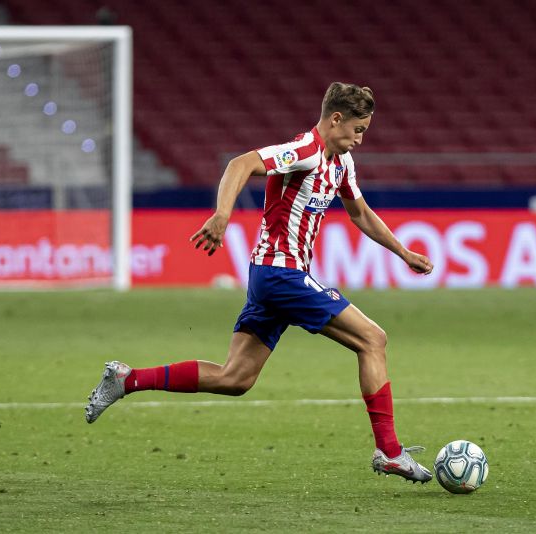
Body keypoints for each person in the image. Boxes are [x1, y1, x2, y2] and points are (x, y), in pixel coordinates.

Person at [85, 82, 434, 483]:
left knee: (236, 378)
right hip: (280, 275)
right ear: (335, 119)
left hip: (273, 278)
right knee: (373, 339)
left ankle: (126, 379)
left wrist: (403, 252)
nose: (360, 139)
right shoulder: (303, 150)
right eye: (358, 129)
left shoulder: (341, 164)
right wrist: (221, 215)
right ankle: (389, 451)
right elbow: (240, 163)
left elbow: (360, 213)